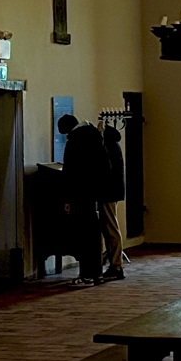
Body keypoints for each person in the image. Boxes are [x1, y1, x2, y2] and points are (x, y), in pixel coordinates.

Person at [56, 113, 109, 284]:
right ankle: (96, 272)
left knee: (83, 235)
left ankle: (86, 274)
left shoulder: (75, 141)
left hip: (79, 193)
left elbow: (70, 171)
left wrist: (66, 198)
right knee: (93, 233)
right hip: (94, 192)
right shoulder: (95, 135)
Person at [98, 117, 126, 280]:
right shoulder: (114, 144)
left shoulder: (107, 146)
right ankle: (115, 263)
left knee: (111, 228)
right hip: (112, 191)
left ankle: (116, 265)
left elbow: (105, 171)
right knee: (110, 226)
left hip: (108, 192)